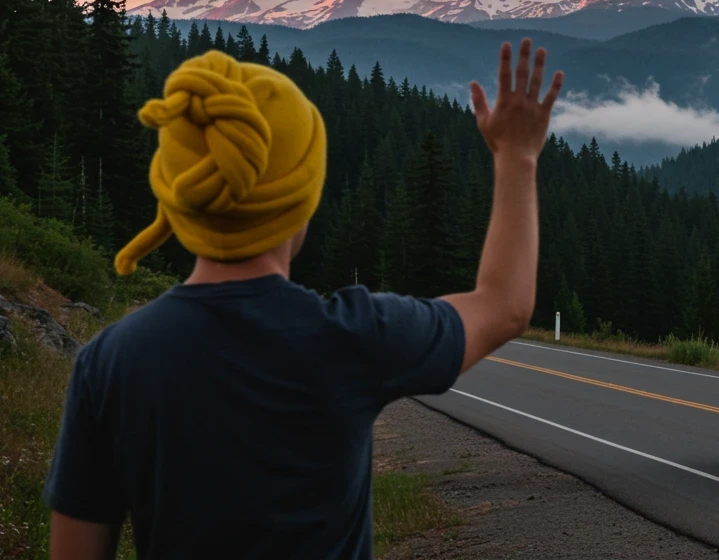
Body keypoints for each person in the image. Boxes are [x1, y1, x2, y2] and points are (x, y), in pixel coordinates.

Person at [43, 38, 563, 560]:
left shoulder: (109, 361)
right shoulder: (355, 337)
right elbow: (505, 305)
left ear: (177, 195)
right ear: (303, 200)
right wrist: (517, 156)